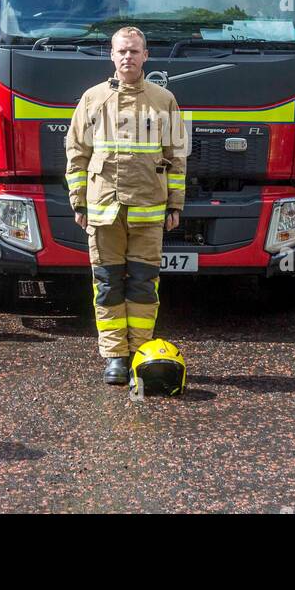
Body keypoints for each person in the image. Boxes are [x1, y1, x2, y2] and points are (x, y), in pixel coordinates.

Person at [64, 27, 188, 385]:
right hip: (104, 210)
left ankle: (141, 354)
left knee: (143, 285)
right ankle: (115, 356)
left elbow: (176, 156)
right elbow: (77, 154)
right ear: (111, 55)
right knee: (107, 284)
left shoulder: (164, 100)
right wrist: (78, 200)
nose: (127, 57)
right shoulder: (92, 99)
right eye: (122, 51)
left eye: (134, 51)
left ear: (146, 56)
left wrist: (174, 205)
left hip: (149, 211)